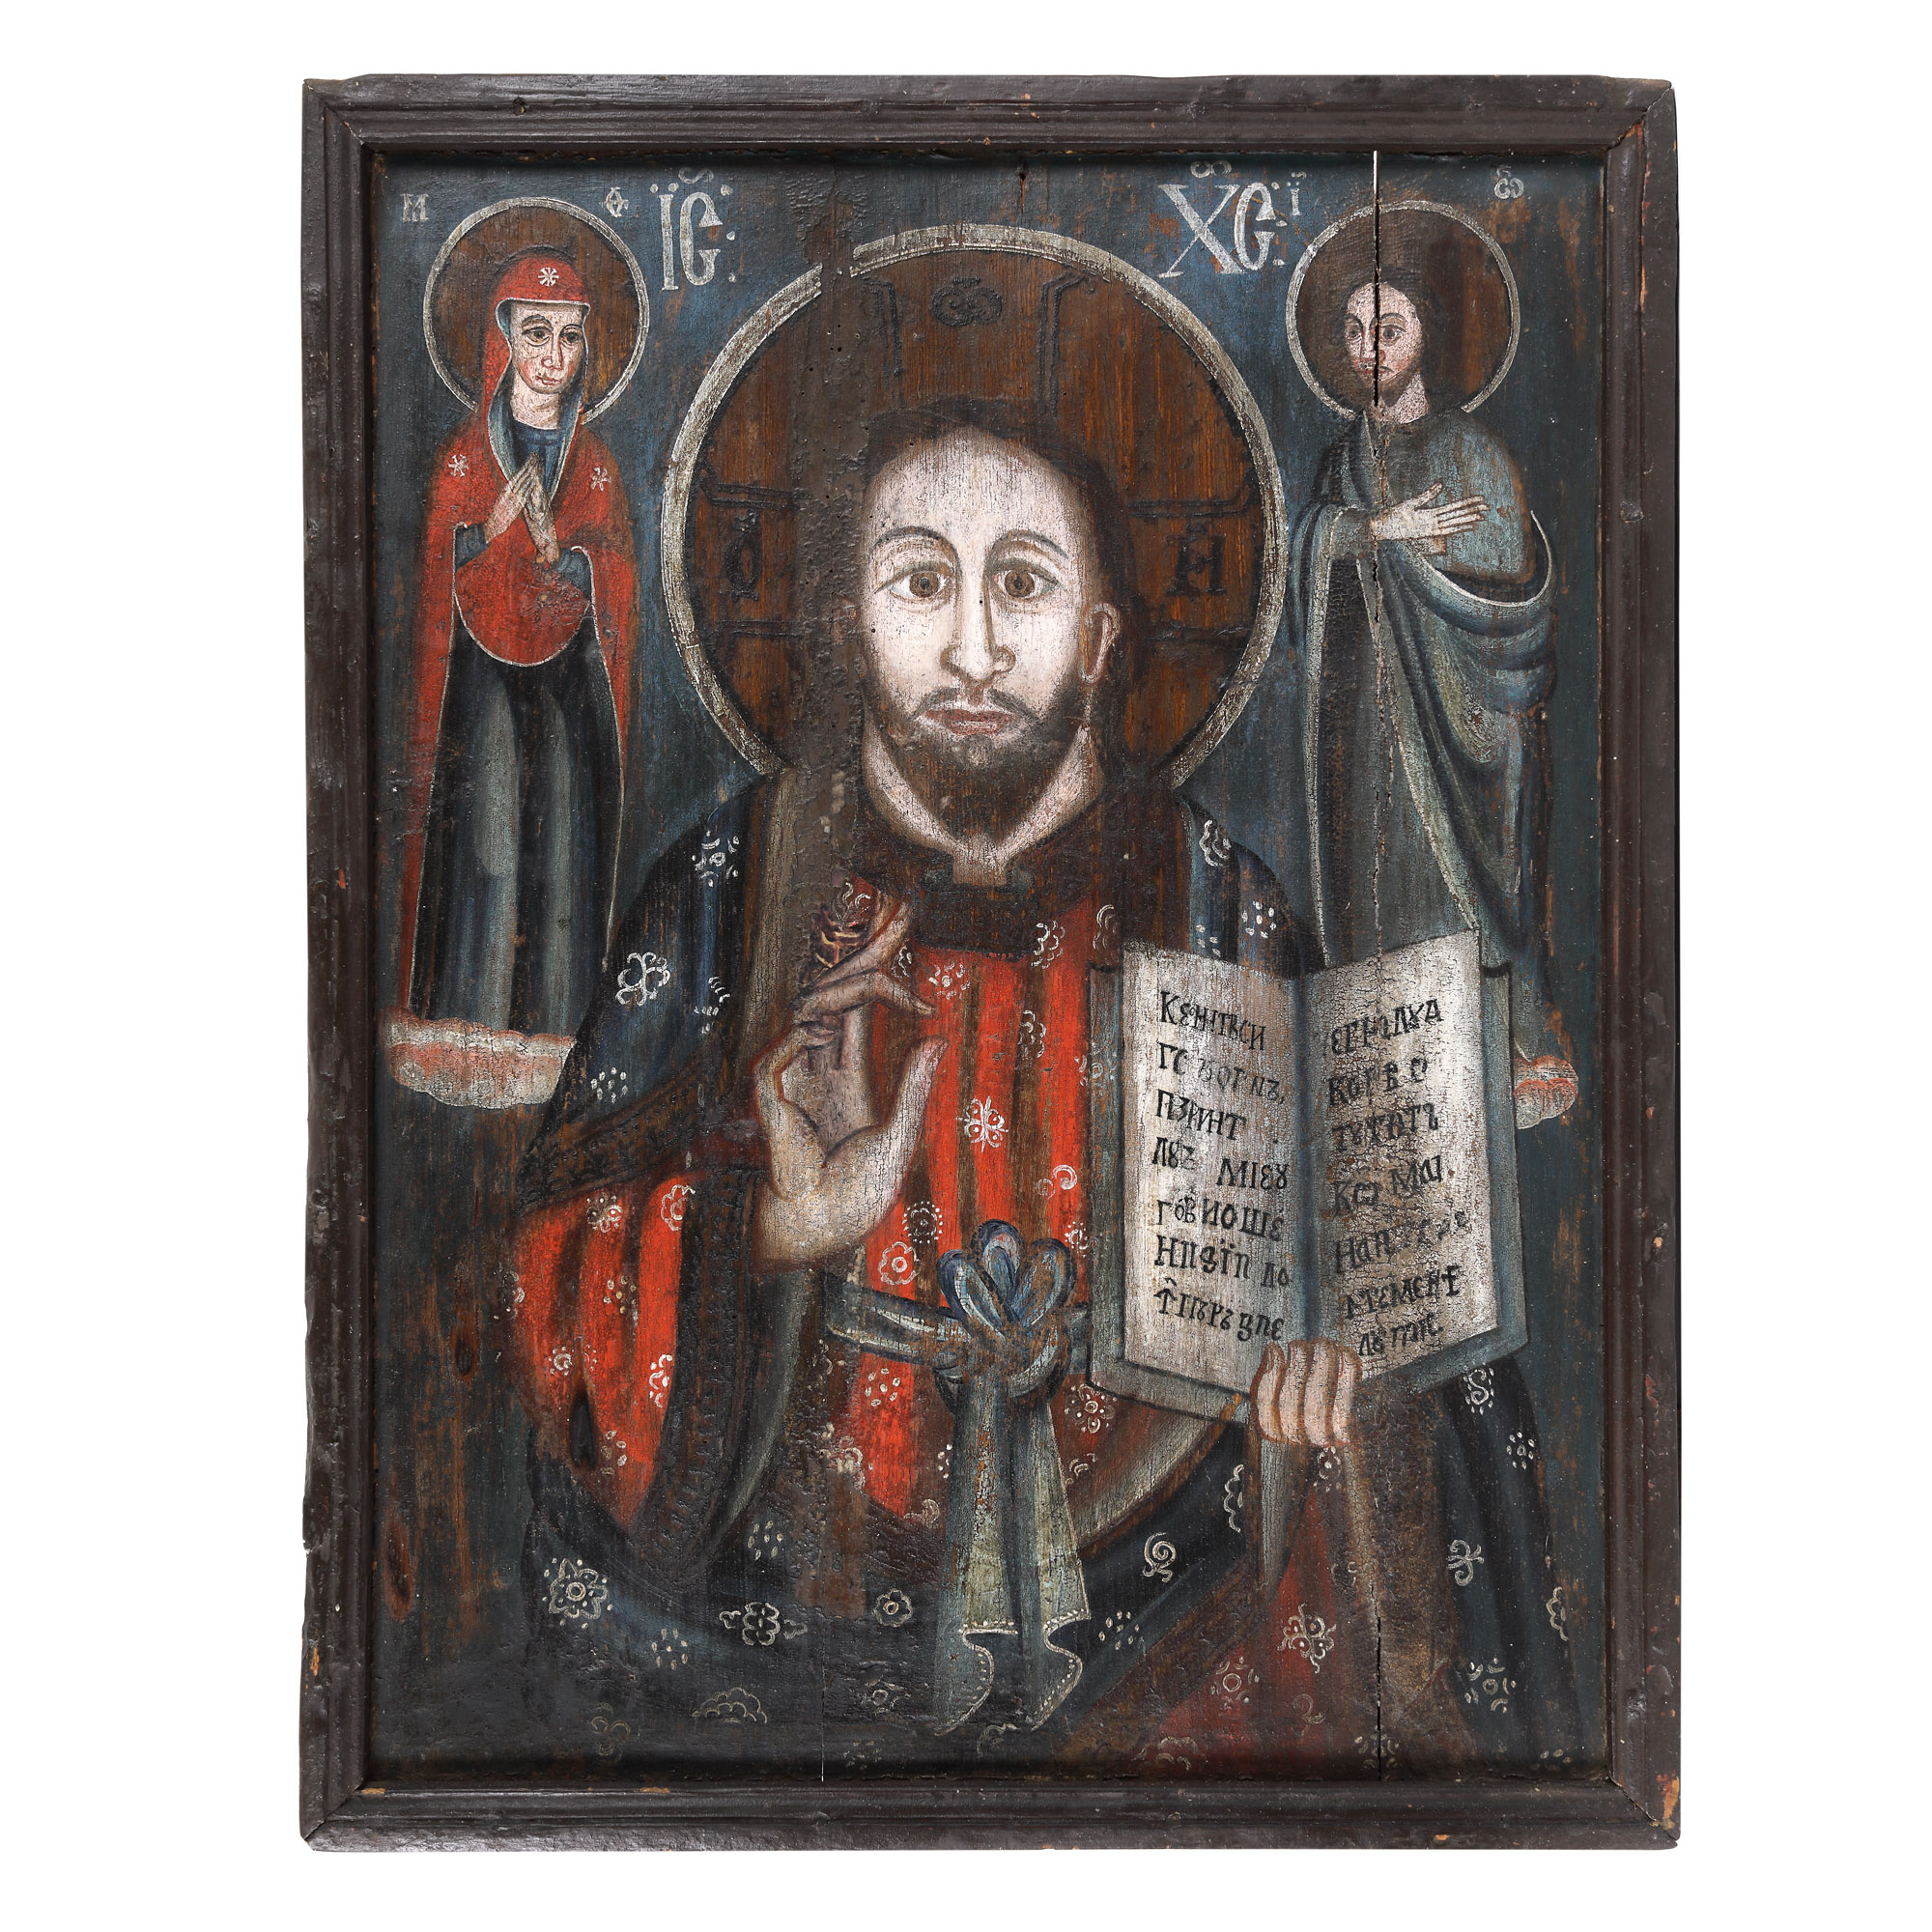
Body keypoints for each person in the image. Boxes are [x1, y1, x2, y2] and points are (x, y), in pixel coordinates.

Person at [497, 398, 1575, 1774]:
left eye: (1021, 583)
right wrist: (773, 1226)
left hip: (1178, 1606)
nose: (974, 649)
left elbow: (1390, 1307)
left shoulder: (1222, 908)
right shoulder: (732, 895)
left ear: (1101, 639)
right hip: (781, 1624)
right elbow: (542, 1277)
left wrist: (1333, 1376)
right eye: (918, 582)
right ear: (848, 625)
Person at [1290, 268, 1578, 1127]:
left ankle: (1496, 1063)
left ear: (1426, 339)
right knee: (1371, 898)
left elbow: (1514, 581)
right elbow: (1305, 563)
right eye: (1352, 330)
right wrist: (1376, 531)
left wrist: (1419, 560)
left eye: (1388, 329)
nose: (1367, 349)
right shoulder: (1340, 461)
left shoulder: (1471, 449)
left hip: (1459, 724)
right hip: (1361, 728)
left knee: (1445, 895)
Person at [386, 250, 639, 1109]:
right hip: (481, 676)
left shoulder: (594, 465)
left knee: (563, 839)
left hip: (568, 681)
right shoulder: (465, 458)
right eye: (536, 334)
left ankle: (559, 1039)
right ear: (503, 341)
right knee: (487, 840)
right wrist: (489, 533)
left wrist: (569, 557)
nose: (554, 357)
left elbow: (614, 570)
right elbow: (438, 564)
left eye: (570, 337)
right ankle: (468, 1030)